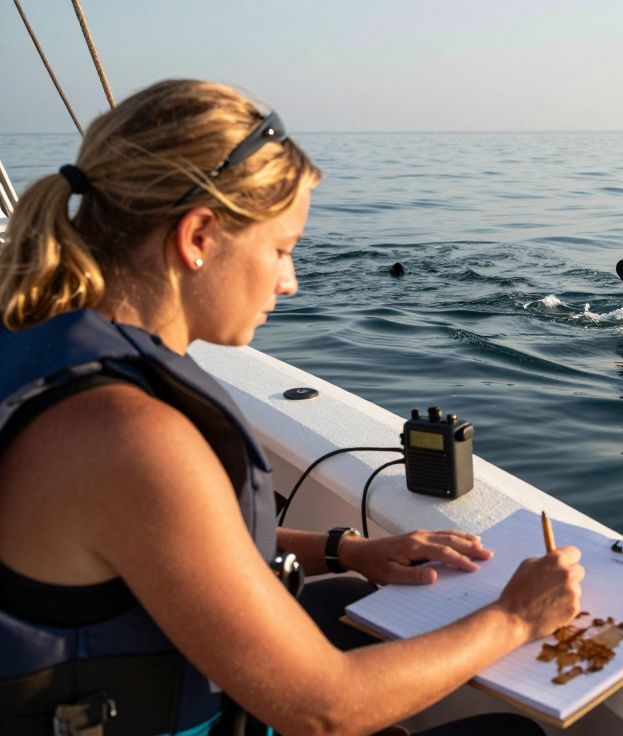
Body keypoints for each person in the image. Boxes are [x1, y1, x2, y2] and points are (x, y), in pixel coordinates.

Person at [0, 79, 584, 736]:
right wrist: (516, 616)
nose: (290, 280)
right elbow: (323, 709)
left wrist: (346, 550)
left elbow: (164, 539)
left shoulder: (48, 340)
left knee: (362, 599)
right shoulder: (126, 432)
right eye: (281, 248)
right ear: (197, 236)